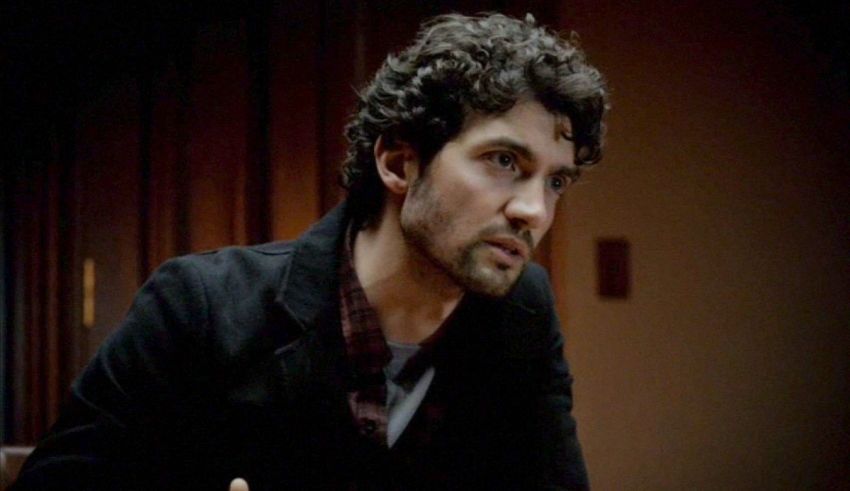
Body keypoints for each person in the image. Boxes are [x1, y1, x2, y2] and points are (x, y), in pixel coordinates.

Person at [12, 12, 607, 490]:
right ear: (400, 162)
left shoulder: (522, 311)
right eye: (505, 162)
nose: (535, 210)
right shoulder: (201, 306)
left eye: (556, 181)